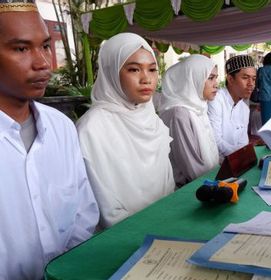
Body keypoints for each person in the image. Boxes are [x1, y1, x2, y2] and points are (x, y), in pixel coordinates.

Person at [0, 2, 99, 278]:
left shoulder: (62, 128)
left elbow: (83, 211)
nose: (44, 63)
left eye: (45, 46)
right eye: (21, 48)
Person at [76, 33, 175, 228]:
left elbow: (167, 185)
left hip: (167, 223)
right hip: (123, 236)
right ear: (111, 72)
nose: (146, 79)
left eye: (152, 69)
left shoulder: (151, 119)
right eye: (133, 69)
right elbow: (106, 209)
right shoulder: (92, 128)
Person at [159, 54, 220, 187]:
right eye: (210, 78)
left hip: (204, 183)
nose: (216, 84)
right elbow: (193, 170)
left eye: (216, 78)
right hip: (187, 190)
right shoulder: (179, 113)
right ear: (193, 79)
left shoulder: (198, 108)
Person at [208, 54, 256, 160]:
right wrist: (241, 155)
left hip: (235, 162)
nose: (251, 84)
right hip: (216, 164)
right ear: (230, 79)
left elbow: (243, 142)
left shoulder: (244, 108)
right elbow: (216, 140)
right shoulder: (216, 101)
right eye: (245, 78)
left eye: (253, 79)